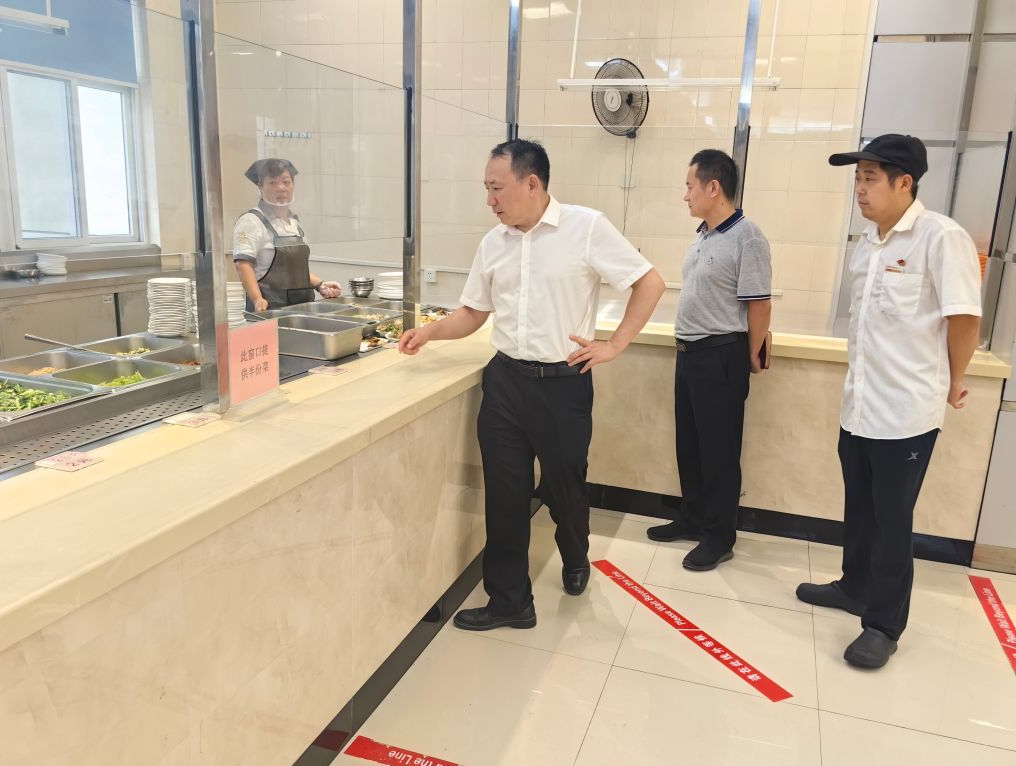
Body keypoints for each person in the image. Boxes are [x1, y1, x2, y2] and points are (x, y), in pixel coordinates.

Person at [399, 139, 665, 630]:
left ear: (532, 183)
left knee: (565, 488)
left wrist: (614, 345)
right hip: (504, 383)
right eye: (487, 189)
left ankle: (576, 554)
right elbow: (474, 312)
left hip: (562, 386)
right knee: (505, 496)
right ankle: (510, 602)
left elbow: (649, 283)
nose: (490, 200)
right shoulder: (493, 243)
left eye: (497, 188)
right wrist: (429, 333)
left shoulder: (586, 227)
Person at [796, 134, 982, 669]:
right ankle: (855, 586)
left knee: (893, 520)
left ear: (905, 182)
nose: (860, 188)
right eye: (857, 178)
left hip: (906, 414)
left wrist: (954, 379)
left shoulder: (940, 237)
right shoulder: (867, 242)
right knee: (859, 509)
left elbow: (964, 318)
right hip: (859, 407)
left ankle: (883, 624)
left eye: (870, 178)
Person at [646, 149, 772, 571]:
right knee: (691, 445)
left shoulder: (747, 237)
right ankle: (694, 517)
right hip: (690, 354)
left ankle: (719, 537)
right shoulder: (703, 235)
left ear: (713, 187)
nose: (685, 195)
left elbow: (759, 305)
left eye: (689, 186)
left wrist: (749, 353)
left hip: (721, 355)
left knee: (719, 452)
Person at [232, 158, 340, 312]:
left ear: (293, 185)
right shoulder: (251, 221)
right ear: (261, 186)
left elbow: (295, 271)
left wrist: (320, 284)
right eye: (273, 183)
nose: (281, 188)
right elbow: (243, 265)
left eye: (286, 182)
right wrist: (257, 299)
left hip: (302, 309)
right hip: (270, 310)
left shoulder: (294, 223)